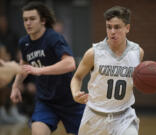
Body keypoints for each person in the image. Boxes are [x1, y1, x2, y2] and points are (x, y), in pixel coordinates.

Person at [10, 2, 84, 135]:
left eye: (32, 19)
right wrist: (15, 86)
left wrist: (41, 70)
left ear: (43, 20)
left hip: (70, 100)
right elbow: (23, 66)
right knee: (38, 131)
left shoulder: (53, 38)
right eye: (25, 19)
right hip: (46, 101)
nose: (28, 23)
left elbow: (70, 63)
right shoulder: (24, 43)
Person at [71, 6, 144, 135]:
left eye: (117, 27)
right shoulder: (93, 53)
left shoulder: (137, 52)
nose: (112, 31)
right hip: (95, 116)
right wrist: (75, 93)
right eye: (109, 27)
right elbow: (77, 77)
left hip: (124, 116)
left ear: (127, 28)